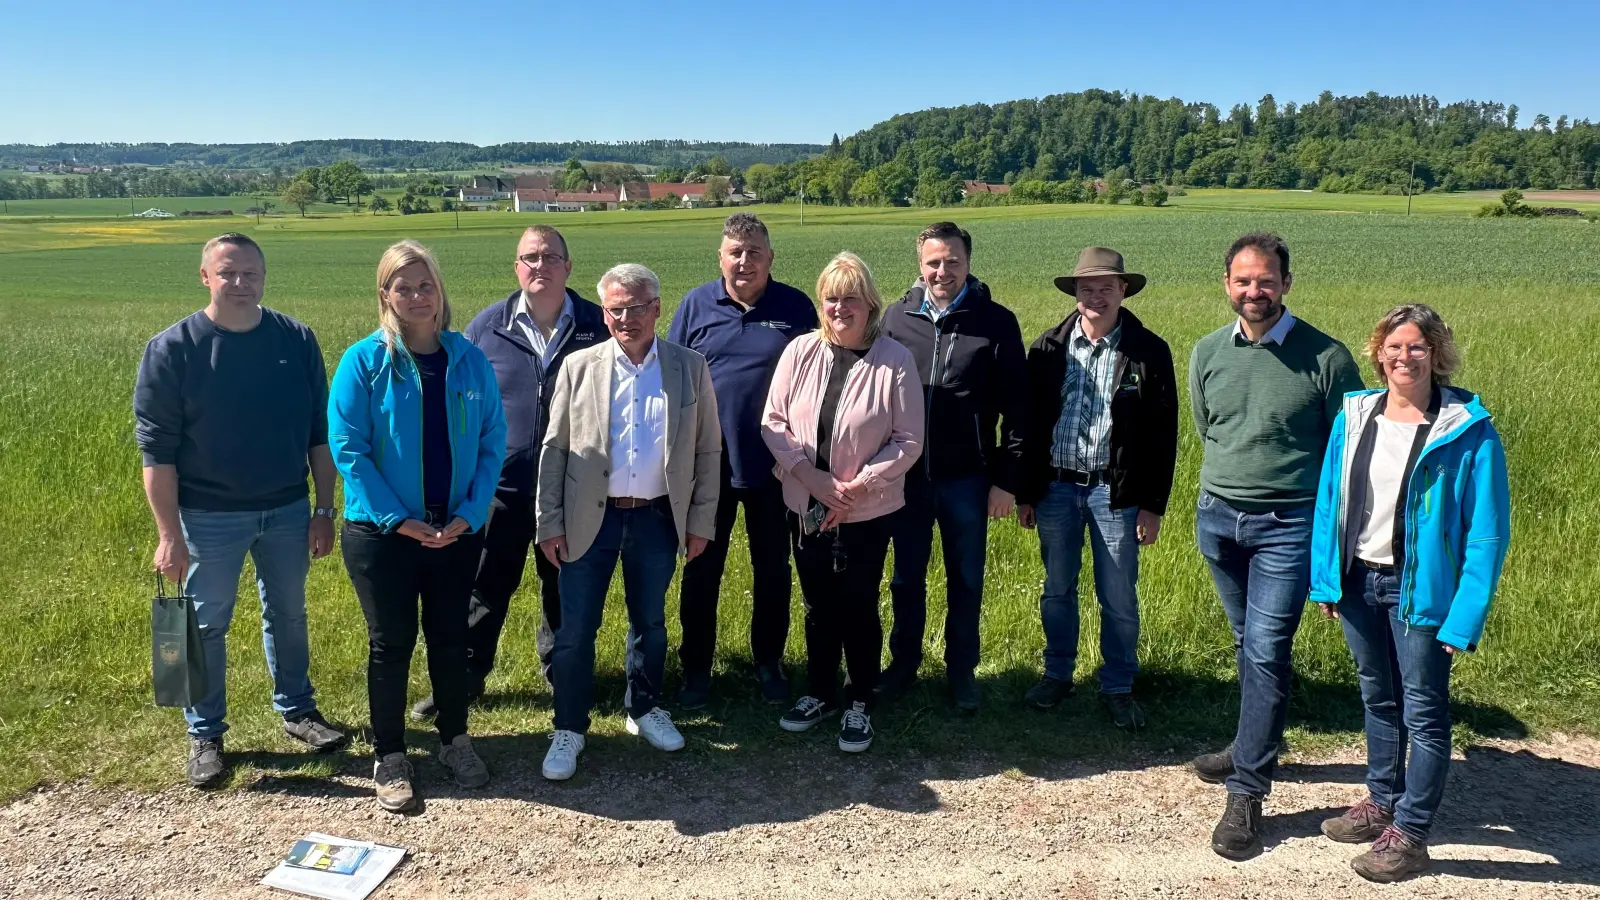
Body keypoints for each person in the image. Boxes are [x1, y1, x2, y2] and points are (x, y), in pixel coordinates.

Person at [134, 232, 346, 789]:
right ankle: (205, 733)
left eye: (250, 272)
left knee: (290, 615)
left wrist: (324, 509)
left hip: (287, 509)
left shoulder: (295, 339)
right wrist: (168, 535)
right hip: (207, 517)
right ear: (205, 276)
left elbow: (318, 436)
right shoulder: (172, 349)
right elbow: (156, 453)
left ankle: (298, 711)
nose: (240, 282)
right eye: (228, 272)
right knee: (204, 626)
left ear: (264, 277)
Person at [1309, 304, 1510, 883]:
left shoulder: (1467, 430)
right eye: (1394, 346)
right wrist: (1327, 577)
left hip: (1420, 592)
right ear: (1378, 352)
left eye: (1417, 347)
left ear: (1437, 354)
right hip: (1357, 581)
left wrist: (1464, 616)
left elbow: (1487, 532)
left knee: (1423, 712)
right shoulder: (1356, 415)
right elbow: (1331, 501)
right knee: (1378, 698)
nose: (1405, 357)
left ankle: (1413, 831)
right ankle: (1379, 801)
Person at [1188, 232, 1365, 860]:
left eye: (1265, 281)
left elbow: (1349, 452)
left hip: (1288, 526)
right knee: (1249, 644)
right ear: (1227, 284)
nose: (1254, 291)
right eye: (1243, 281)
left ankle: (1246, 791)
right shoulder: (1207, 352)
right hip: (1218, 518)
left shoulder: (1327, 358)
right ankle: (1251, 741)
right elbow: (1210, 426)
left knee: (1265, 650)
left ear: (1287, 283)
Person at [328, 240, 507, 813]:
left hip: (454, 532)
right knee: (391, 643)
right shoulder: (363, 361)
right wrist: (397, 519)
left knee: (451, 640)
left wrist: (470, 514)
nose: (416, 296)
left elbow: (491, 441)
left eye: (425, 285)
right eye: (403, 287)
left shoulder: (468, 358)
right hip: (383, 536)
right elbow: (348, 449)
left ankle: (455, 739)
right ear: (385, 295)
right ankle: (391, 755)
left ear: (440, 291)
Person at [409, 226, 607, 721]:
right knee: (484, 585)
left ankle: (565, 674)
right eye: (530, 258)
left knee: (563, 583)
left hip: (572, 487)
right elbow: (458, 405)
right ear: (517, 267)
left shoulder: (596, 324)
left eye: (550, 257)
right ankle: (466, 680)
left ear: (568, 266)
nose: (540, 266)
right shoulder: (487, 327)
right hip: (499, 486)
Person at [536, 264, 721, 781]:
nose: (626, 318)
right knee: (574, 631)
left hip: (658, 519)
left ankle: (643, 708)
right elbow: (555, 450)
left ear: (657, 308)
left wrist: (700, 520)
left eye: (637, 307)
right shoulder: (579, 367)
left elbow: (708, 448)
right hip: (585, 521)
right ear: (604, 312)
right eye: (615, 309)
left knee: (651, 624)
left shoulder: (689, 367)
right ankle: (569, 727)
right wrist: (548, 522)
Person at [762, 252, 924, 753]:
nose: (839, 308)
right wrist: (810, 477)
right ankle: (820, 692)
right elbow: (773, 421)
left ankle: (860, 700)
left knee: (859, 604)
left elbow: (909, 440)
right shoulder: (799, 352)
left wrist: (856, 488)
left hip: (867, 510)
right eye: (831, 298)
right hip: (806, 502)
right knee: (817, 604)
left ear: (870, 303)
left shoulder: (894, 359)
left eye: (849, 298)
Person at [1015, 248, 1177, 729]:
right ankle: (1057, 674)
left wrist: (1152, 505)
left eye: (1107, 287)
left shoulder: (1148, 350)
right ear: (1075, 293)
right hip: (1056, 489)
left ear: (1124, 291)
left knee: (1118, 594)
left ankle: (1119, 684)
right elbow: (1028, 423)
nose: (1097, 296)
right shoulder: (1048, 348)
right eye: (1088, 288)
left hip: (1116, 493)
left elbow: (1163, 434)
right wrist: (1026, 491)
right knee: (1057, 588)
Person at [669, 213, 818, 708]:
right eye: (735, 251)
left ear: (771, 258)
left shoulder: (796, 307)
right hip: (707, 468)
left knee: (773, 570)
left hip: (776, 468)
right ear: (720, 257)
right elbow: (672, 380)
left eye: (755, 252)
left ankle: (769, 663)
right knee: (701, 569)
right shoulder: (695, 305)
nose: (744, 261)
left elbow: (819, 379)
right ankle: (695, 670)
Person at [879, 222, 1027, 712]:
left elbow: (1018, 411)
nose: (943, 271)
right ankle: (903, 666)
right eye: (934, 262)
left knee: (966, 578)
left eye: (953, 262)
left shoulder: (996, 321)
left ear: (968, 262)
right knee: (905, 578)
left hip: (968, 477)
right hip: (906, 479)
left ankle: (961, 673)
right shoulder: (895, 320)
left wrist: (1006, 480)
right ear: (920, 264)